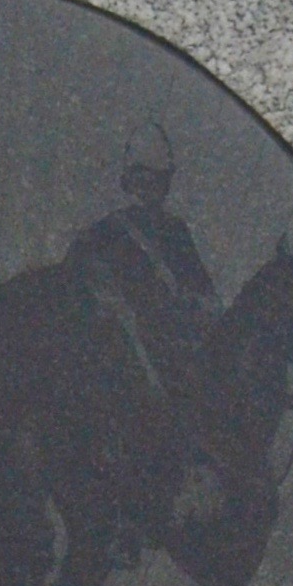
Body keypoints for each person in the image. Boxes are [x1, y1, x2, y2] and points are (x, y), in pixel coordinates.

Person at [67, 122, 216, 390]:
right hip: (115, 348)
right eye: (142, 181)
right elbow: (74, 283)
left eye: (156, 182)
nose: (148, 189)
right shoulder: (105, 232)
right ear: (129, 183)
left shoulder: (176, 232)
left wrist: (192, 307)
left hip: (169, 348)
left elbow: (202, 289)